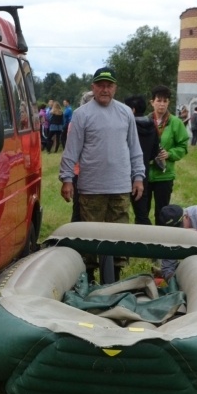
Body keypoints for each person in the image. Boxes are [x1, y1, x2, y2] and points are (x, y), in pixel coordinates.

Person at [59, 67, 145, 280]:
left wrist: (138, 177)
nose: (105, 89)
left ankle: (114, 279)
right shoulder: (81, 115)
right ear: (93, 87)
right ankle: (88, 279)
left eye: (109, 85)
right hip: (91, 188)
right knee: (90, 238)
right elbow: (71, 150)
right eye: (100, 85)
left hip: (120, 187)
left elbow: (135, 148)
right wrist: (67, 179)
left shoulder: (125, 113)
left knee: (118, 237)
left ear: (115, 88)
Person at [147, 85, 189, 226]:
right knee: (142, 212)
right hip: (145, 174)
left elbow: (183, 146)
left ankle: (161, 243)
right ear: (152, 102)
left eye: (165, 101)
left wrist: (170, 154)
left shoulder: (176, 123)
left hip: (164, 175)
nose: (162, 104)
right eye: (159, 100)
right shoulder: (145, 122)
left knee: (162, 212)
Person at [124, 94, 159, 225]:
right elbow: (155, 152)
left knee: (118, 213)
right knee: (142, 214)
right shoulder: (152, 126)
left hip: (124, 173)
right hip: (142, 172)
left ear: (132, 110)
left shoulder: (127, 126)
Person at [69, 91, 94, 222]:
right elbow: (72, 150)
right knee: (79, 207)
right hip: (80, 172)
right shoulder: (76, 122)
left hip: (95, 172)